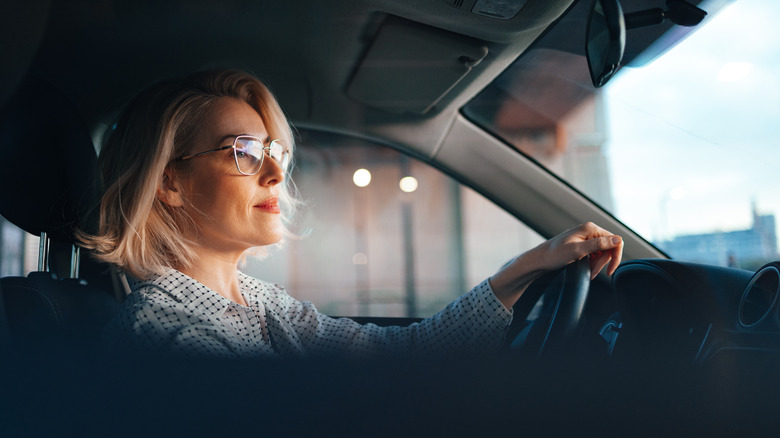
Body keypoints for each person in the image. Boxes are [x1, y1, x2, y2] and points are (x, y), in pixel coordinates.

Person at [81, 69, 623, 358]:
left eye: (275, 153)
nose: (274, 174)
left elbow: (401, 353)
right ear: (170, 181)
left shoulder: (261, 304)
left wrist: (532, 265)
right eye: (243, 151)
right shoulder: (165, 333)